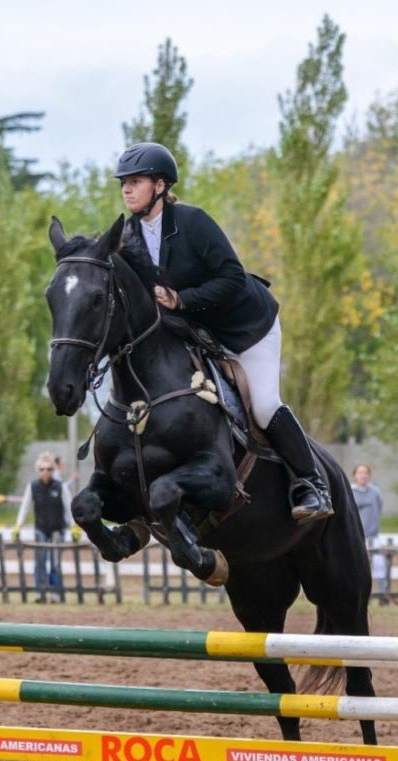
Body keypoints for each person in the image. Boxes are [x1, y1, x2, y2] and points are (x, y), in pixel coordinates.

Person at [114, 141, 332, 523]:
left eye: (136, 181)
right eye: (123, 183)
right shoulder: (129, 235)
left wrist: (180, 300)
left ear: (161, 186)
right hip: (198, 333)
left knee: (263, 404)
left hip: (245, 328)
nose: (126, 189)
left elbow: (232, 277)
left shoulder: (193, 222)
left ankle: (312, 483)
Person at [12, 451, 70, 601]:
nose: (46, 472)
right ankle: (40, 591)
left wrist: (75, 526)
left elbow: (69, 508)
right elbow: (24, 507)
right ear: (38, 470)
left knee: (55, 561)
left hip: (58, 529)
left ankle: (54, 592)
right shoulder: (33, 487)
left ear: (53, 470)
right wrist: (18, 525)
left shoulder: (60, 487)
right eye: (42, 469)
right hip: (41, 528)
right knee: (40, 560)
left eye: (49, 469)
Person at [350, 464, 391, 605]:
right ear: (355, 475)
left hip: (373, 536)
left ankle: (382, 595)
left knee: (379, 566)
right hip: (355, 538)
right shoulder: (350, 491)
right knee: (355, 567)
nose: (363, 475)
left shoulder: (375, 492)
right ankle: (355, 596)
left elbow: (378, 510)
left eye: (366, 473)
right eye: (360, 473)